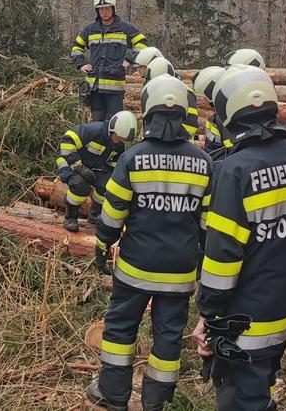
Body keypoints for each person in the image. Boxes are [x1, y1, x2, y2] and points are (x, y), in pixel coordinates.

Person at [191, 65, 286, 411]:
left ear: (230, 114)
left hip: (244, 323)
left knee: (241, 401)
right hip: (285, 311)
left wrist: (209, 314)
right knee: (259, 394)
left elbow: (222, 260)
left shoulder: (233, 171)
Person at [85, 74, 212, 411]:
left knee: (120, 329)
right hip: (180, 271)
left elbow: (111, 214)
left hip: (135, 269)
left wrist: (102, 245)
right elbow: (208, 224)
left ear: (147, 113)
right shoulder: (203, 163)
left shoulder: (132, 159)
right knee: (169, 338)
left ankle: (112, 394)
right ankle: (158, 403)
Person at [56, 111, 139, 232]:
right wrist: (79, 167)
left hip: (94, 166)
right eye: (119, 138)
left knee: (107, 185)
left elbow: (113, 166)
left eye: (123, 140)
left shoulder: (119, 144)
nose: (120, 141)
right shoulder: (94, 130)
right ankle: (70, 217)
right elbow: (67, 140)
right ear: (112, 130)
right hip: (68, 159)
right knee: (80, 184)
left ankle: (95, 215)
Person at [71, 0, 148, 120]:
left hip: (115, 88)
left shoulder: (125, 28)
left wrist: (129, 59)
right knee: (97, 122)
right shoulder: (90, 30)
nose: (104, 12)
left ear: (113, 8)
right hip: (94, 88)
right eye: (101, 9)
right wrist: (81, 64)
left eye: (107, 8)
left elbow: (142, 43)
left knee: (113, 123)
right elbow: (77, 46)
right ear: (97, 11)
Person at [142, 56, 200, 139]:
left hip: (180, 144)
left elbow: (191, 124)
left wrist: (173, 138)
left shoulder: (185, 92)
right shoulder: (160, 91)